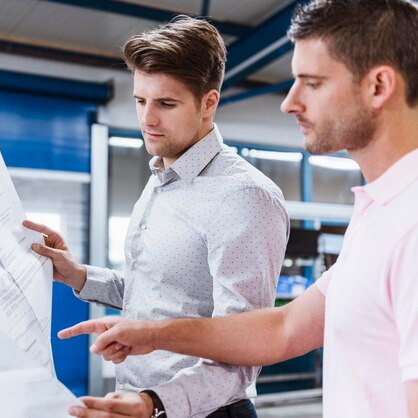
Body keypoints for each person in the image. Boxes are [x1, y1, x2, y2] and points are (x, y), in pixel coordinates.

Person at [59, 1, 418, 417]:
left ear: (378, 86)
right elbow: (280, 330)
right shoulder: (376, 212)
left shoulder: (409, 223)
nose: (288, 102)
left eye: (312, 82)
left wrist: (158, 390)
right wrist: (152, 336)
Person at [24, 15, 290, 418]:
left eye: (166, 103)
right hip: (142, 402)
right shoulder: (162, 176)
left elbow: (245, 348)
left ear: (208, 103)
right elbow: (157, 295)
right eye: (140, 100)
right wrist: (77, 275)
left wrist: (156, 404)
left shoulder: (243, 197)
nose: (148, 119)